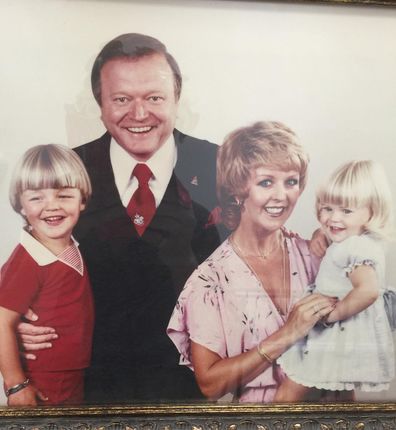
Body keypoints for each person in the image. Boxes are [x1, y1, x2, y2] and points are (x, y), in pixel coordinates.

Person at [18, 33, 223, 403]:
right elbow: (28, 270)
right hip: (87, 388)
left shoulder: (222, 166)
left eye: (155, 98)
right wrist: (20, 320)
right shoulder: (64, 171)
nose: (139, 114)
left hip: (195, 391)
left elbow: (259, 258)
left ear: (177, 98)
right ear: (100, 104)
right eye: (122, 99)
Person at [167, 121, 337, 402]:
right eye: (266, 182)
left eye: (291, 182)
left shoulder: (316, 256)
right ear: (237, 189)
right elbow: (209, 384)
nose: (281, 196)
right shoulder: (209, 280)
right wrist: (287, 334)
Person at [274, 160, 395, 402]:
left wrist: (331, 316)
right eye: (327, 208)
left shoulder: (354, 246)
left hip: (335, 333)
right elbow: (335, 234)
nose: (333, 218)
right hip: (346, 336)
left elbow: (368, 291)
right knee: (339, 391)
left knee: (290, 392)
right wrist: (321, 233)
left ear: (372, 211)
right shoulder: (359, 238)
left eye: (346, 211)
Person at [0, 144, 94, 406]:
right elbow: (0, 321)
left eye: (64, 196)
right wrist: (16, 384)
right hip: (44, 378)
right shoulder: (27, 259)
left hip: (72, 372)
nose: (51, 207)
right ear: (20, 205)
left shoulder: (70, 245)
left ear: (82, 200)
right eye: (36, 198)